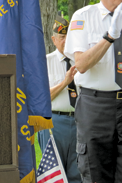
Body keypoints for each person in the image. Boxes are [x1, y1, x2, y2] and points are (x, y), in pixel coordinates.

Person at [64, 0, 122, 183]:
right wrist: (110, 36)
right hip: (97, 105)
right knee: (95, 171)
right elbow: (81, 65)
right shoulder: (83, 17)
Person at [37, 15, 81, 183]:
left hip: (78, 122)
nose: (66, 41)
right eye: (62, 38)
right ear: (54, 39)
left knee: (77, 172)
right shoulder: (45, 62)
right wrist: (65, 82)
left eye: (69, 37)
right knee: (54, 172)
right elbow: (42, 98)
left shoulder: (81, 62)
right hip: (54, 122)